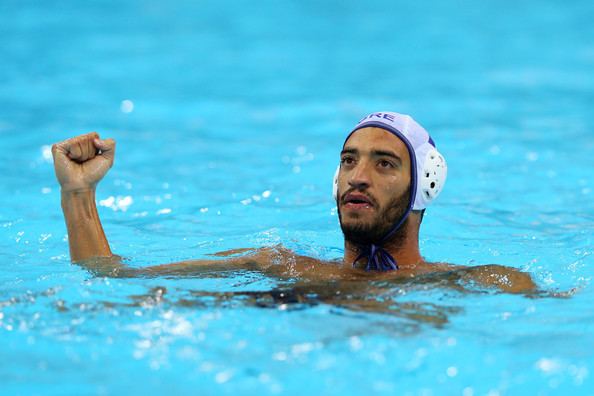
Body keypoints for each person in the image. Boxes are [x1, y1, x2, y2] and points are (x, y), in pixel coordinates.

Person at [52, 111, 536, 293]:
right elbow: (110, 279)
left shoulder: (481, 284)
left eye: (385, 163)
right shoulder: (276, 266)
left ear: (424, 185)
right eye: (349, 161)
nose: (358, 178)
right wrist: (79, 193)